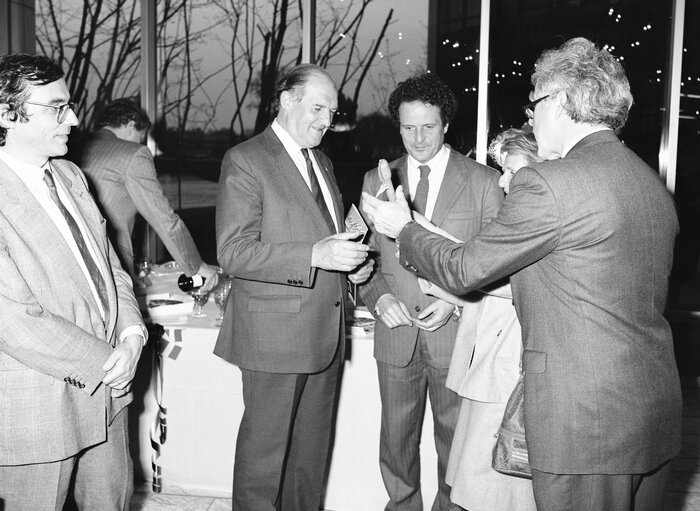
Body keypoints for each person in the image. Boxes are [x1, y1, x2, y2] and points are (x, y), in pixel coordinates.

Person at [362, 37, 681, 511]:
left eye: (534, 105)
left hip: (582, 420)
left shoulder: (551, 183)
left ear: (560, 102)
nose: (530, 118)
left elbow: (466, 268)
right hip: (650, 408)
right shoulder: (648, 183)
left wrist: (404, 228)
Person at [214, 63, 373, 510]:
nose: (327, 119)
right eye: (318, 107)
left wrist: (352, 269)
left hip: (325, 333)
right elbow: (233, 251)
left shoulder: (321, 160)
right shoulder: (246, 159)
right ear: (286, 101)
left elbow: (330, 239)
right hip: (274, 338)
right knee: (264, 463)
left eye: (332, 111)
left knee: (309, 459)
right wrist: (313, 256)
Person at [0, 53, 147, 509]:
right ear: (6, 113)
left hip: (108, 397)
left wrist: (132, 331)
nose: (75, 119)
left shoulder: (70, 175)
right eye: (57, 107)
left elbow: (109, 265)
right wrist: (110, 363)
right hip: (39, 406)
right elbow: (15, 319)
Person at [358, 73, 502, 510]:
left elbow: (497, 267)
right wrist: (378, 297)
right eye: (407, 127)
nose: (417, 138)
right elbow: (365, 260)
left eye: (428, 126)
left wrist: (452, 302)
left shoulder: (484, 181)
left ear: (445, 125)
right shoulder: (375, 180)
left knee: (455, 446)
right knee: (395, 443)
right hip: (396, 336)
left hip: (456, 339)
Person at [435, 127, 542, 511]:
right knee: (473, 482)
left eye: (511, 170)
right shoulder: (519, 210)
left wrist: (449, 283)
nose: (502, 179)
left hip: (506, 373)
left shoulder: (538, 216)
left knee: (494, 487)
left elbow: (514, 283)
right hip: (487, 365)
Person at [79, 98, 219, 291]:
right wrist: (196, 265)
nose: (140, 142)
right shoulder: (134, 154)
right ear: (130, 126)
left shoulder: (75, 148)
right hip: (110, 268)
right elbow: (163, 218)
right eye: (141, 136)